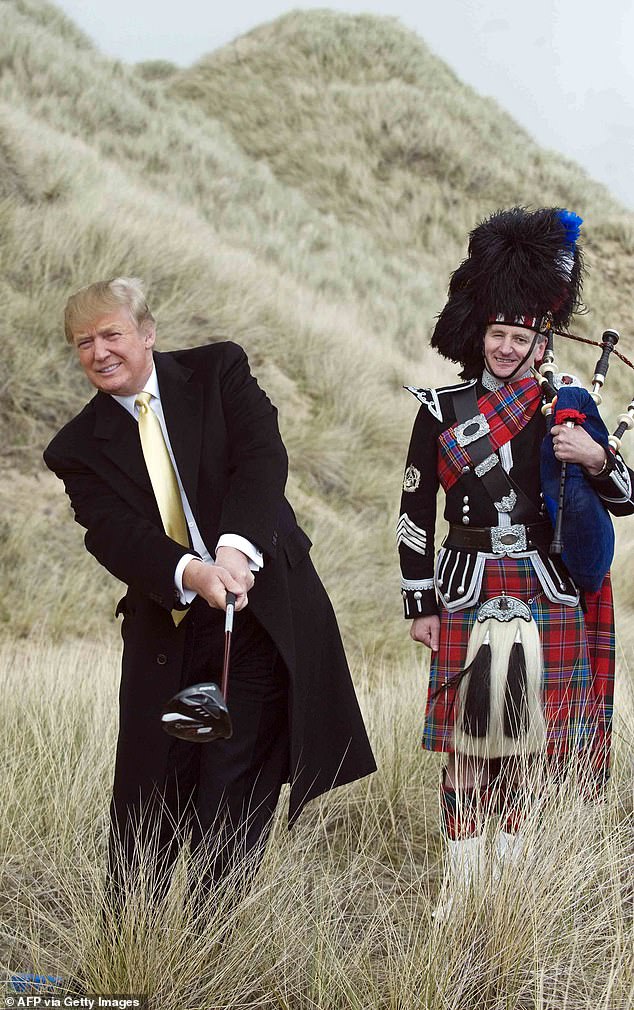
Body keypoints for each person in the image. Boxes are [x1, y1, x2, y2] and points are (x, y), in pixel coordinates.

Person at [44, 277, 376, 898]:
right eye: (82, 342)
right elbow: (113, 534)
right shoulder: (75, 449)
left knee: (233, 772)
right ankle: (135, 926)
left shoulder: (219, 369)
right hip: (171, 620)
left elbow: (261, 457)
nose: (98, 352)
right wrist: (193, 574)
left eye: (112, 334)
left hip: (256, 605)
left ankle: (212, 928)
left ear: (147, 334)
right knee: (155, 777)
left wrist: (233, 551)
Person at [397, 207, 634, 915]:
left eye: (519, 337)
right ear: (482, 335)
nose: (505, 347)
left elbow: (625, 496)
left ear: (540, 341)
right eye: (496, 335)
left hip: (544, 586)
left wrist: (594, 455)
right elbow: (413, 513)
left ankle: (513, 884)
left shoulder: (570, 404)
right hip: (467, 586)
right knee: (467, 746)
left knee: (532, 745)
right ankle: (461, 889)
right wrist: (420, 606)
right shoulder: (441, 410)